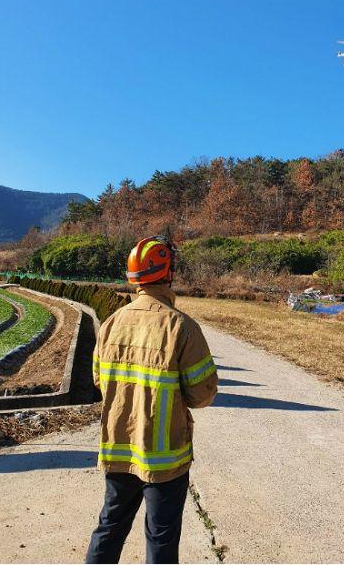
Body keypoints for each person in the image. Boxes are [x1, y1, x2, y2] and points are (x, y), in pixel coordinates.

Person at [86, 236, 218, 564]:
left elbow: (99, 380)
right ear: (168, 272)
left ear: (134, 277)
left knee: (110, 526)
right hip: (164, 461)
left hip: (119, 449)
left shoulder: (112, 323)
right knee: (160, 539)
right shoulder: (182, 327)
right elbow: (202, 394)